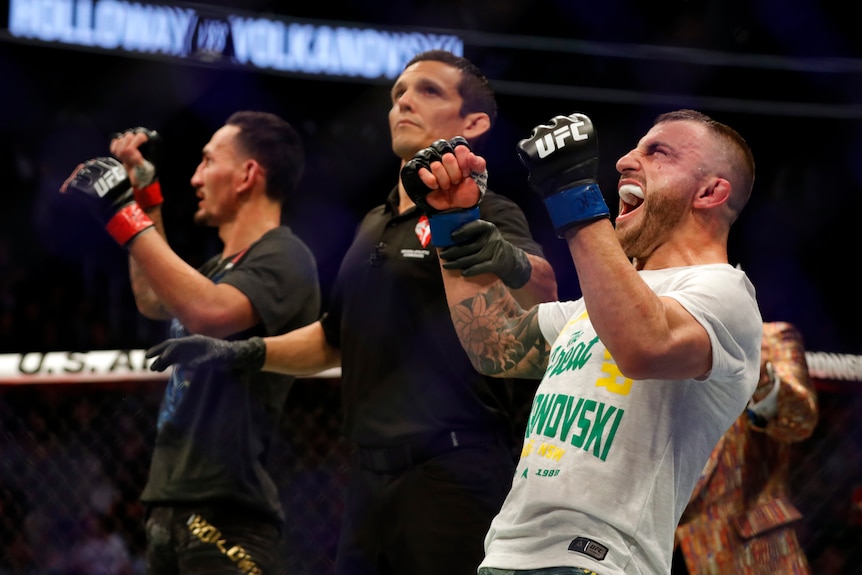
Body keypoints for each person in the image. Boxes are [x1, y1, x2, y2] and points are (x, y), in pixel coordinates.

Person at [146, 49, 558, 575]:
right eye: (397, 94)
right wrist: (238, 352)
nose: (404, 100)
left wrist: (500, 255)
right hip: (368, 478)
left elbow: (542, 286)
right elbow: (333, 338)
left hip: (456, 468)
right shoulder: (372, 223)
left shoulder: (490, 211)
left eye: (428, 91)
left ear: (474, 123)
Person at [396, 109, 763, 574]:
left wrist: (572, 194)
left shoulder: (724, 293)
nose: (625, 161)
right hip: (508, 552)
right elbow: (496, 346)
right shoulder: (596, 307)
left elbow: (643, 345)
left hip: (599, 559)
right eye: (635, 147)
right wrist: (449, 222)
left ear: (711, 192)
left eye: (658, 152)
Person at [61, 111, 321, 575]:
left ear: (247, 175)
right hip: (170, 502)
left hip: (228, 511)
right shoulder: (221, 266)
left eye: (207, 161)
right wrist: (143, 194)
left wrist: (121, 212)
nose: (195, 177)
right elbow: (153, 296)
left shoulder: (286, 255)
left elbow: (211, 313)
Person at [673, 321, 818, 574]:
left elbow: (800, 422)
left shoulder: (772, 337)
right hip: (660, 543)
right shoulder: (665, 339)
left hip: (750, 547)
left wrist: (762, 379)